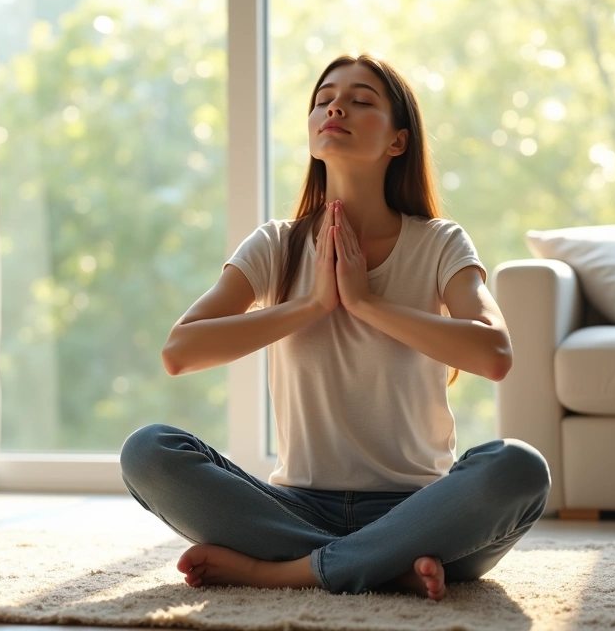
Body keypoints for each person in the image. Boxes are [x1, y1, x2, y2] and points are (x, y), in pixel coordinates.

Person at [119, 53, 550, 601]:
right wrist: (315, 304)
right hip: (297, 505)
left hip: (421, 510)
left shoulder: (439, 242)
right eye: (323, 100)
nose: (335, 106)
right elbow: (180, 351)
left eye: (361, 100)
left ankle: (285, 571)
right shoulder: (277, 243)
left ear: (398, 141)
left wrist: (367, 303)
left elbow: (494, 354)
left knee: (518, 467)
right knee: (148, 451)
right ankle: (378, 565)